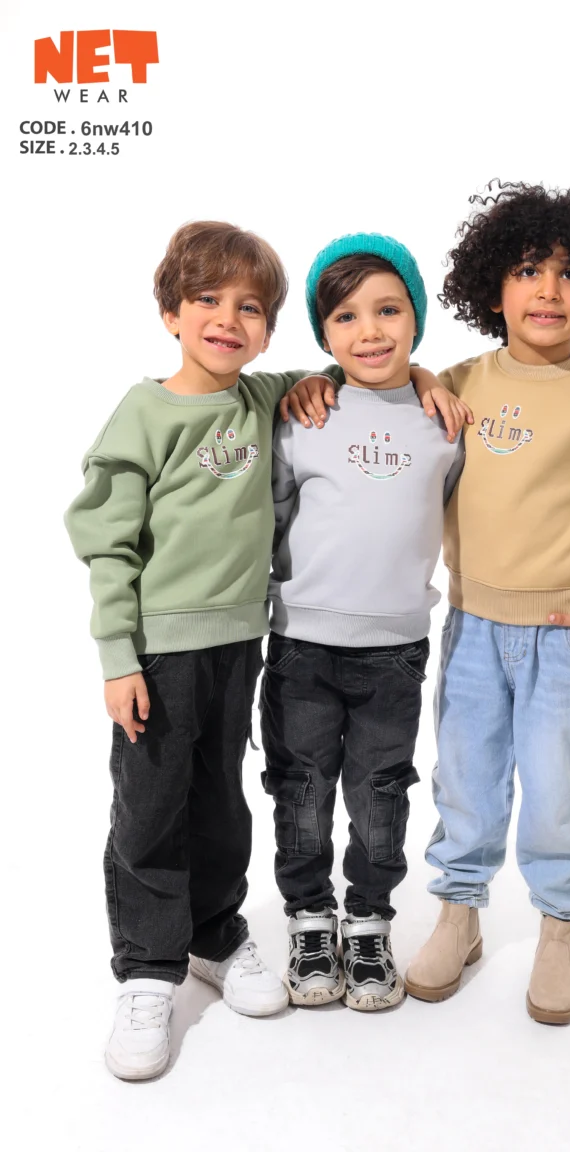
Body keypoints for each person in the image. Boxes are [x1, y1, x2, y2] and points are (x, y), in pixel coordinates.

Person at [65, 220, 355, 1080]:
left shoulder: (261, 398)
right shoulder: (144, 413)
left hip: (240, 643)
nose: (228, 318)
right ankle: (147, 968)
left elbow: (344, 369)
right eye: (207, 300)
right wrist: (118, 656)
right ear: (171, 313)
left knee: (221, 796)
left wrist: (396, 376)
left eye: (250, 308)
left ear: (267, 331)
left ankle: (214, 932)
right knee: (150, 806)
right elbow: (106, 544)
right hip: (158, 652)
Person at [402, 182, 570, 1024]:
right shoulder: (456, 383)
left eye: (569, 274)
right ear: (493, 289)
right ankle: (459, 914)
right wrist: (417, 374)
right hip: (471, 629)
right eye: (527, 270)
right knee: (466, 779)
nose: (548, 290)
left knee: (559, 790)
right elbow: (388, 392)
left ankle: (560, 927)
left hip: (563, 638)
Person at [260, 234, 465, 1011]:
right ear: (323, 333)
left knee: (381, 793)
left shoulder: (445, 421)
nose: (369, 331)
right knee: (301, 789)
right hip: (301, 646)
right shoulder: (301, 412)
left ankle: (370, 922)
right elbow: (272, 518)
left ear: (417, 319)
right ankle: (311, 920)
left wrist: (428, 380)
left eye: (389, 311)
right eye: (345, 317)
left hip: (393, 652)